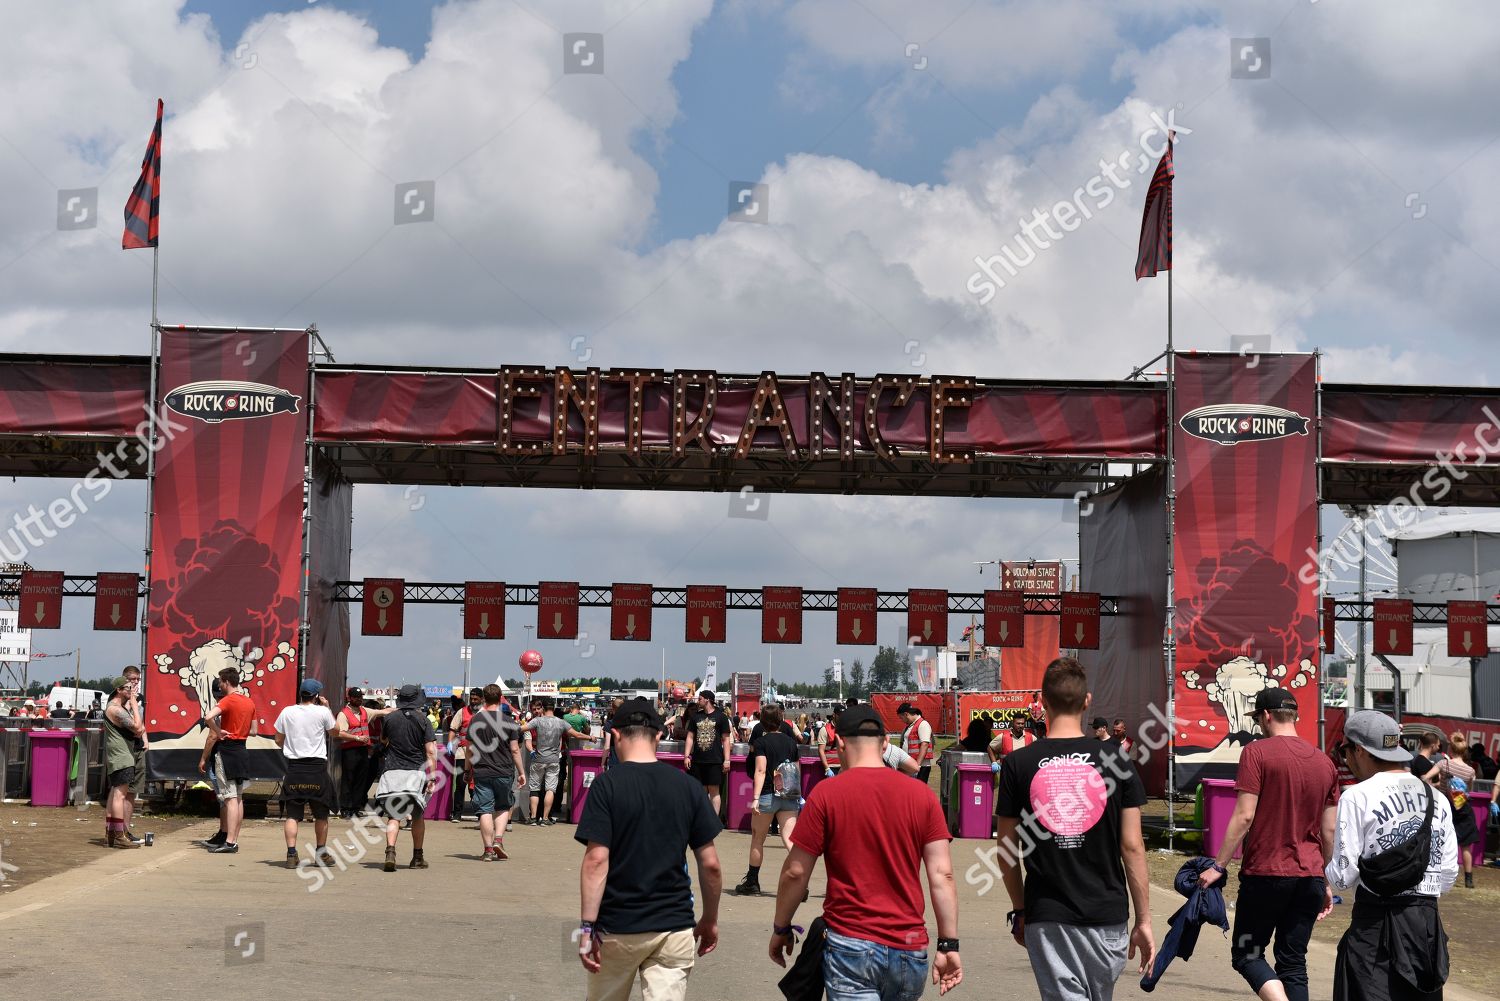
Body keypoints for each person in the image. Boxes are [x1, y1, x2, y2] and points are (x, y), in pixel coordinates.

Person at [769, 705, 963, 998]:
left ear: (841, 743)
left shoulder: (826, 794)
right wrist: (949, 944)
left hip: (850, 944)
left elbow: (796, 872)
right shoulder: (922, 795)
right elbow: (942, 874)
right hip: (909, 947)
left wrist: (781, 927)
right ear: (886, 743)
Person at [995, 657, 1154, 1001]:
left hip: (1048, 916)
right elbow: (1132, 847)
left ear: (1042, 701)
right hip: (1108, 917)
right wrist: (1144, 920)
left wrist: (1020, 908)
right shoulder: (1117, 761)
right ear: (1086, 701)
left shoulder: (1017, 764)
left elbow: (1006, 851)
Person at [575, 698, 722, 1001]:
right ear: (658, 736)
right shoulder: (688, 787)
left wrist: (586, 928)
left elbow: (596, 861)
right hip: (674, 925)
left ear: (615, 735)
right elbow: (710, 865)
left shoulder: (607, 786)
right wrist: (709, 918)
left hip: (617, 926)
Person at [1197, 688, 1338, 1001]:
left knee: (1247, 954)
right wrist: (1326, 879)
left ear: (1267, 715)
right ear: (1295, 716)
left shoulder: (1256, 752)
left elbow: (1244, 816)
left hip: (1266, 875)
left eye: (1258, 718)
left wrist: (1218, 865)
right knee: (1292, 962)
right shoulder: (1325, 763)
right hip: (1310, 878)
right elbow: (1329, 831)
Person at [1327, 710, 1459, 1001]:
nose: (1345, 758)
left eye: (1345, 751)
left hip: (1375, 925)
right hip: (1425, 927)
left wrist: (1326, 869)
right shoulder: (1436, 798)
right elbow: (1448, 874)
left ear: (1359, 750)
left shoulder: (1357, 796)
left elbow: (1342, 876)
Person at [368, 684, 438, 871]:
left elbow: (383, 742)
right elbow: (430, 751)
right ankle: (417, 858)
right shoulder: (423, 720)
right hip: (415, 773)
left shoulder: (389, 719)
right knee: (417, 816)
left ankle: (390, 851)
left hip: (392, 772)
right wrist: (432, 777)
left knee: (394, 816)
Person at [734, 704, 801, 896]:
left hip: (767, 794)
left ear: (762, 721)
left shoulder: (762, 743)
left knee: (758, 838)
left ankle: (752, 882)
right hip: (789, 795)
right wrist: (797, 794)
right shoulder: (791, 743)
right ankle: (800, 881)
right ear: (780, 720)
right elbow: (796, 769)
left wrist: (755, 798)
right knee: (789, 839)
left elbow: (761, 770)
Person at [273, 678, 338, 869]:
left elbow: (278, 739)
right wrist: (327, 707)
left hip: (294, 768)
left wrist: (292, 747)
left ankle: (291, 854)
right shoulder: (323, 712)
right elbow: (335, 732)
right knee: (321, 814)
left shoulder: (287, 711)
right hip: (317, 769)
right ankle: (321, 853)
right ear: (317, 696)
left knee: (292, 815)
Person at [465, 684, 526, 861]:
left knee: (484, 810)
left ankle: (488, 850)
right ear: (500, 698)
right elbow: (515, 750)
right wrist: (521, 772)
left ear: (484, 698)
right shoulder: (509, 722)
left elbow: (469, 750)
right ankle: (498, 839)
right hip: (504, 770)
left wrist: (468, 770)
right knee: (503, 806)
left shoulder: (476, 721)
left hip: (482, 771)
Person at [201, 667, 255, 855]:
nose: (219, 685)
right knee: (238, 798)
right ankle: (234, 838)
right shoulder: (249, 701)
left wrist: (218, 730)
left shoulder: (227, 700)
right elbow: (254, 729)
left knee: (230, 798)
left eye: (220, 682)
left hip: (228, 750)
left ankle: (230, 842)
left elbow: (207, 717)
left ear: (225, 681)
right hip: (242, 748)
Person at [524, 698, 592, 825]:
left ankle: (533, 817)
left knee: (534, 788)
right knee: (550, 789)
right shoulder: (561, 722)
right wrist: (590, 737)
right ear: (554, 708)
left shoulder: (536, 721)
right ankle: (545, 819)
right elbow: (576, 734)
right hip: (554, 759)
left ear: (543, 708)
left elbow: (522, 729)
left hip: (538, 759)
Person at [102, 676, 147, 849]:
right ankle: (119, 835)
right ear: (119, 690)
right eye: (128, 688)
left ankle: (112, 834)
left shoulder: (116, 708)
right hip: (122, 756)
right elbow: (138, 728)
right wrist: (135, 706)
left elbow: (137, 730)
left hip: (120, 755)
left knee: (116, 794)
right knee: (120, 795)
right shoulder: (115, 709)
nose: (132, 691)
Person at [1438, 733, 1479, 888]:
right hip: (1462, 808)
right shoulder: (1470, 771)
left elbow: (1426, 777)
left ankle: (1440, 873)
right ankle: (1468, 879)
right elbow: (1468, 790)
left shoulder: (1443, 764)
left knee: (1441, 841)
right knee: (1466, 845)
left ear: (1451, 748)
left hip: (1445, 806)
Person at [683, 690, 733, 816]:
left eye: (700, 698)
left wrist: (727, 760)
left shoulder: (721, 717)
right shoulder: (696, 717)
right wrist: (686, 756)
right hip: (698, 760)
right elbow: (690, 737)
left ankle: (714, 820)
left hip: (715, 759)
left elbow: (726, 739)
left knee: (714, 790)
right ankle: (701, 818)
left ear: (707, 700)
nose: (697, 701)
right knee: (700, 790)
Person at [335, 687, 374, 819]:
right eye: (356, 697)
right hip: (349, 751)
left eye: (360, 697)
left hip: (362, 750)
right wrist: (357, 738)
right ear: (349, 698)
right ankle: (345, 808)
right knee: (348, 780)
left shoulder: (364, 711)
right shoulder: (344, 714)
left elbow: (382, 712)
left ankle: (356, 808)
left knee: (360, 780)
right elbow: (340, 733)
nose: (359, 699)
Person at [447, 688, 484, 822]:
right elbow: (453, 729)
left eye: (476, 699)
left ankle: (481, 814)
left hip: (481, 754)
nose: (473, 701)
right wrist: (450, 743)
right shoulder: (461, 712)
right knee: (461, 783)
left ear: (482, 699)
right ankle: (457, 813)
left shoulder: (485, 713)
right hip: (463, 752)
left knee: (478, 786)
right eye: (471, 699)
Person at [899, 701, 935, 784]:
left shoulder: (923, 724)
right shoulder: (909, 726)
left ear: (906, 714)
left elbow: (925, 744)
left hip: (920, 766)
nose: (902, 720)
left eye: (901, 718)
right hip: (911, 765)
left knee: (918, 792)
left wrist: (917, 765)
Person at [819, 706, 843, 777]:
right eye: (839, 715)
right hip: (831, 767)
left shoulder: (846, 729)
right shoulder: (825, 730)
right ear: (834, 715)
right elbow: (821, 750)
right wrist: (827, 768)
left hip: (843, 766)